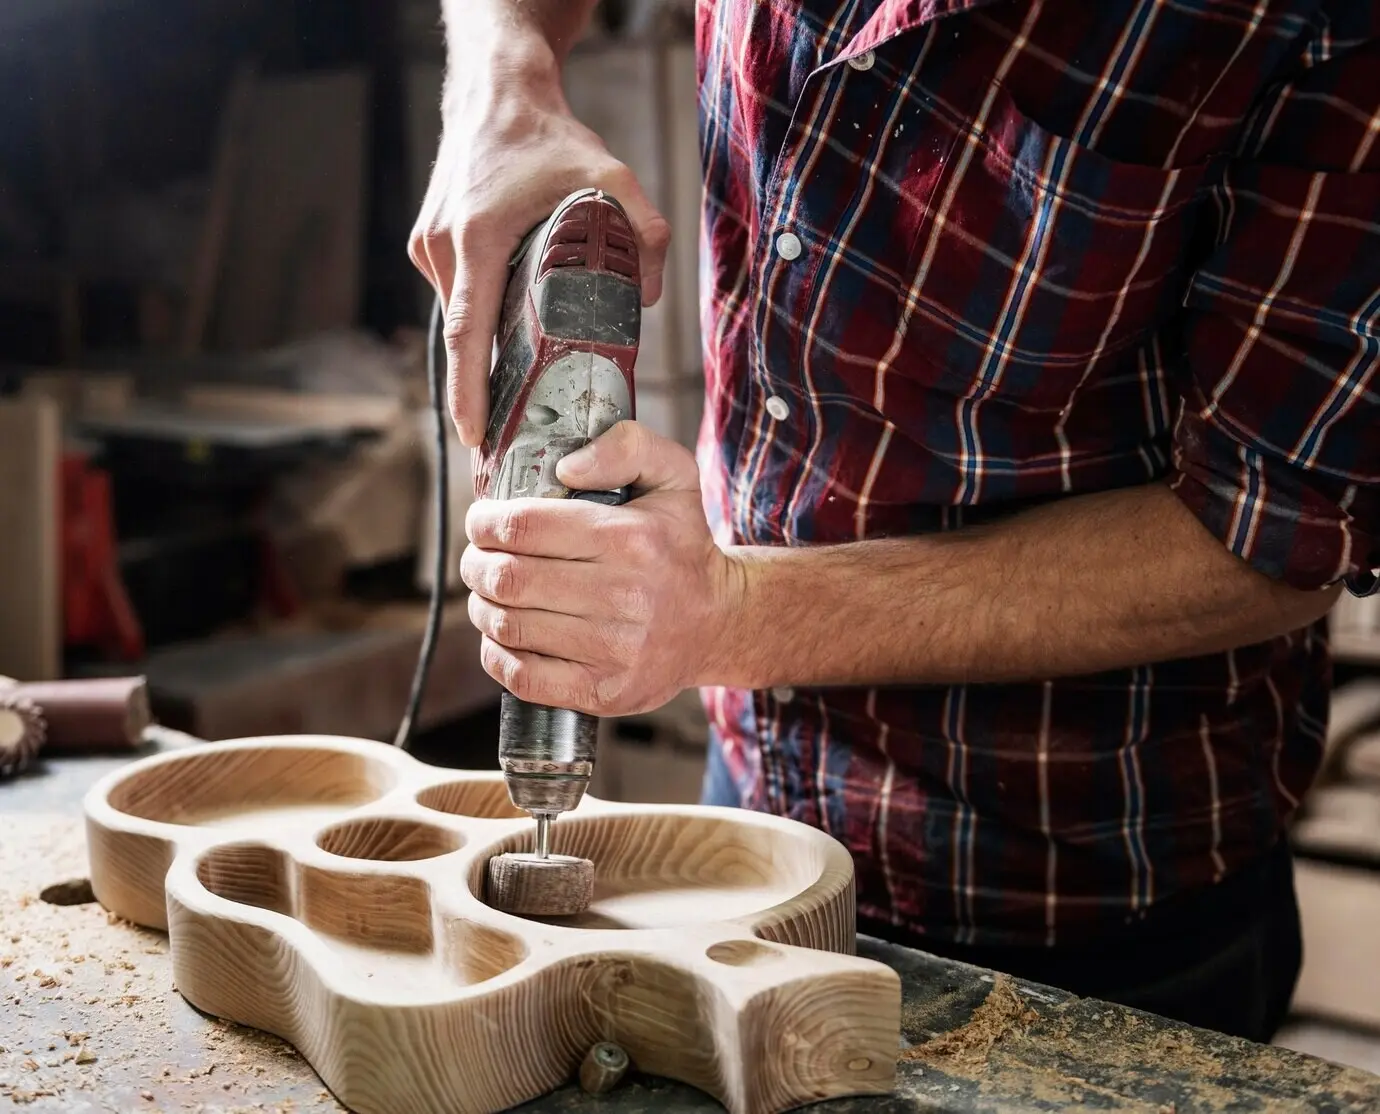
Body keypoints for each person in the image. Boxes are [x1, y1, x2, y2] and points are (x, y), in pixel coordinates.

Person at [410, 0, 1380, 1042]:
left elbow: (1275, 540)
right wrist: (502, 82)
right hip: (757, 796)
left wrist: (728, 617)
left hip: (1087, 902)